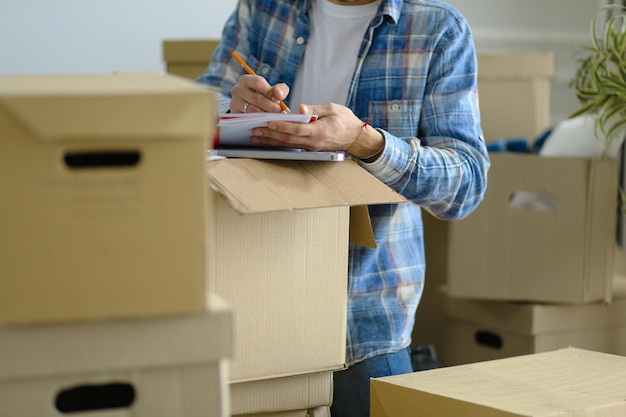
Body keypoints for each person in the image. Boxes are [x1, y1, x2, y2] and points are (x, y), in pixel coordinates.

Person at [197, 0, 489, 415]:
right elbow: (203, 103)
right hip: (254, 295)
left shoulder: (437, 28)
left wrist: (365, 142)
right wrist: (233, 107)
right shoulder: (263, 7)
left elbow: (466, 184)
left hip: (366, 313)